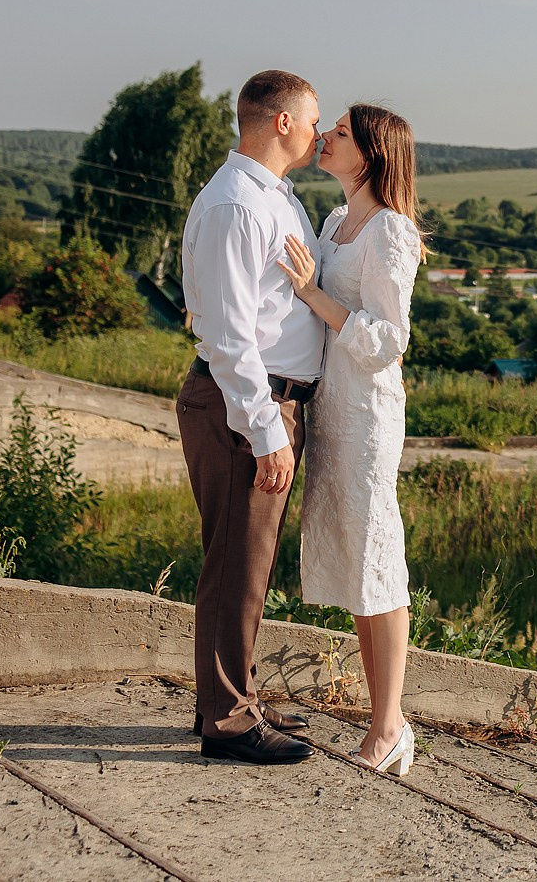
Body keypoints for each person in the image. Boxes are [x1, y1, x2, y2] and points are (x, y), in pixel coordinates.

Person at [177, 70, 323, 764]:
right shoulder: (240, 204)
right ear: (283, 121)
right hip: (245, 404)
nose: (322, 133)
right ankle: (229, 721)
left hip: (264, 400)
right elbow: (233, 337)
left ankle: (229, 702)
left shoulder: (274, 197)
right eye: (315, 120)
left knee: (244, 563)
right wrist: (266, 430)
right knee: (237, 564)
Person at [277, 103, 424, 775]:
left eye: (337, 132)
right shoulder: (337, 222)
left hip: (366, 413)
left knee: (378, 558)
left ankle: (390, 726)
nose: (324, 138)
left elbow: (389, 341)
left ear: (366, 154)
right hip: (331, 407)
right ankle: (384, 720)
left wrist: (312, 295)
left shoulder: (391, 231)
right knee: (358, 567)